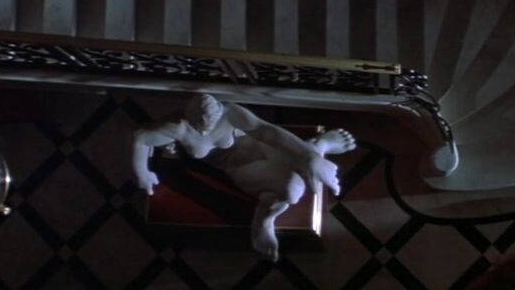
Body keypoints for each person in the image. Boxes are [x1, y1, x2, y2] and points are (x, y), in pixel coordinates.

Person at [129, 93, 355, 261]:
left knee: (304, 161)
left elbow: (267, 131)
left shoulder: (230, 112)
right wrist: (142, 172)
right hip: (241, 168)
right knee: (293, 189)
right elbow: (141, 137)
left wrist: (310, 159)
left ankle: (316, 151)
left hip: (263, 148)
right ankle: (264, 220)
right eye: (200, 127)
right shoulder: (179, 128)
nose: (205, 132)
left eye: (210, 125)